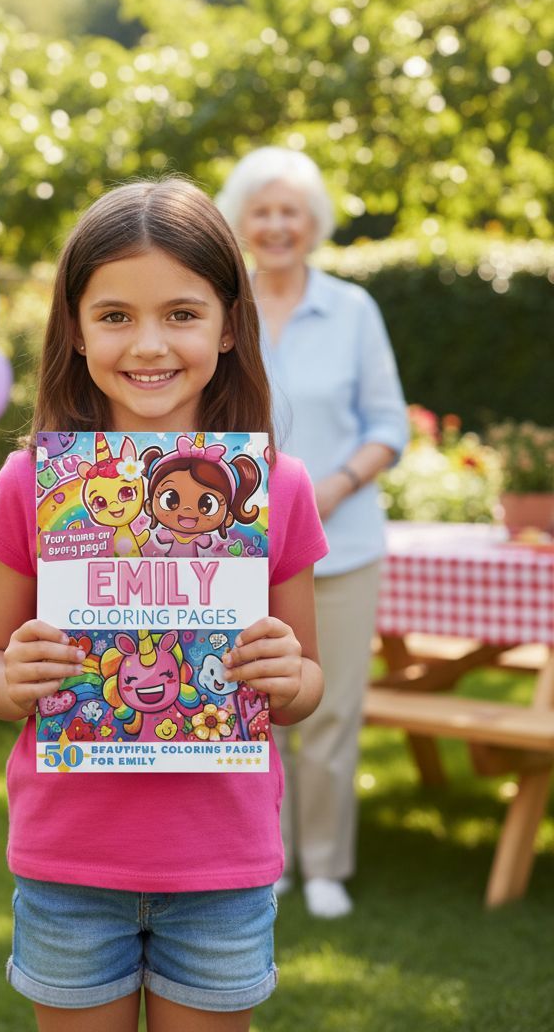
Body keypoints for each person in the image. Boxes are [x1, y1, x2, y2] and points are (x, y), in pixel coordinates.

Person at [0, 178, 328, 1032]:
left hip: (221, 869)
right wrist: (11, 677)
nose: (149, 343)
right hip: (69, 864)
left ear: (228, 325)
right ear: (78, 330)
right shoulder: (34, 483)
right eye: (116, 315)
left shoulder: (279, 488)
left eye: (182, 313)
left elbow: (307, 686)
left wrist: (286, 672)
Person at [217, 148, 409, 920]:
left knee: (328, 712)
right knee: (247, 701)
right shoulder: (223, 309)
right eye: (262, 211)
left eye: (290, 210)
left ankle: (325, 864)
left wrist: (329, 488)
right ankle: (269, 858)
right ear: (242, 222)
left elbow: (388, 426)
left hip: (344, 543)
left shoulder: (354, 309)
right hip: (234, 549)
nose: (276, 225)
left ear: (314, 221)